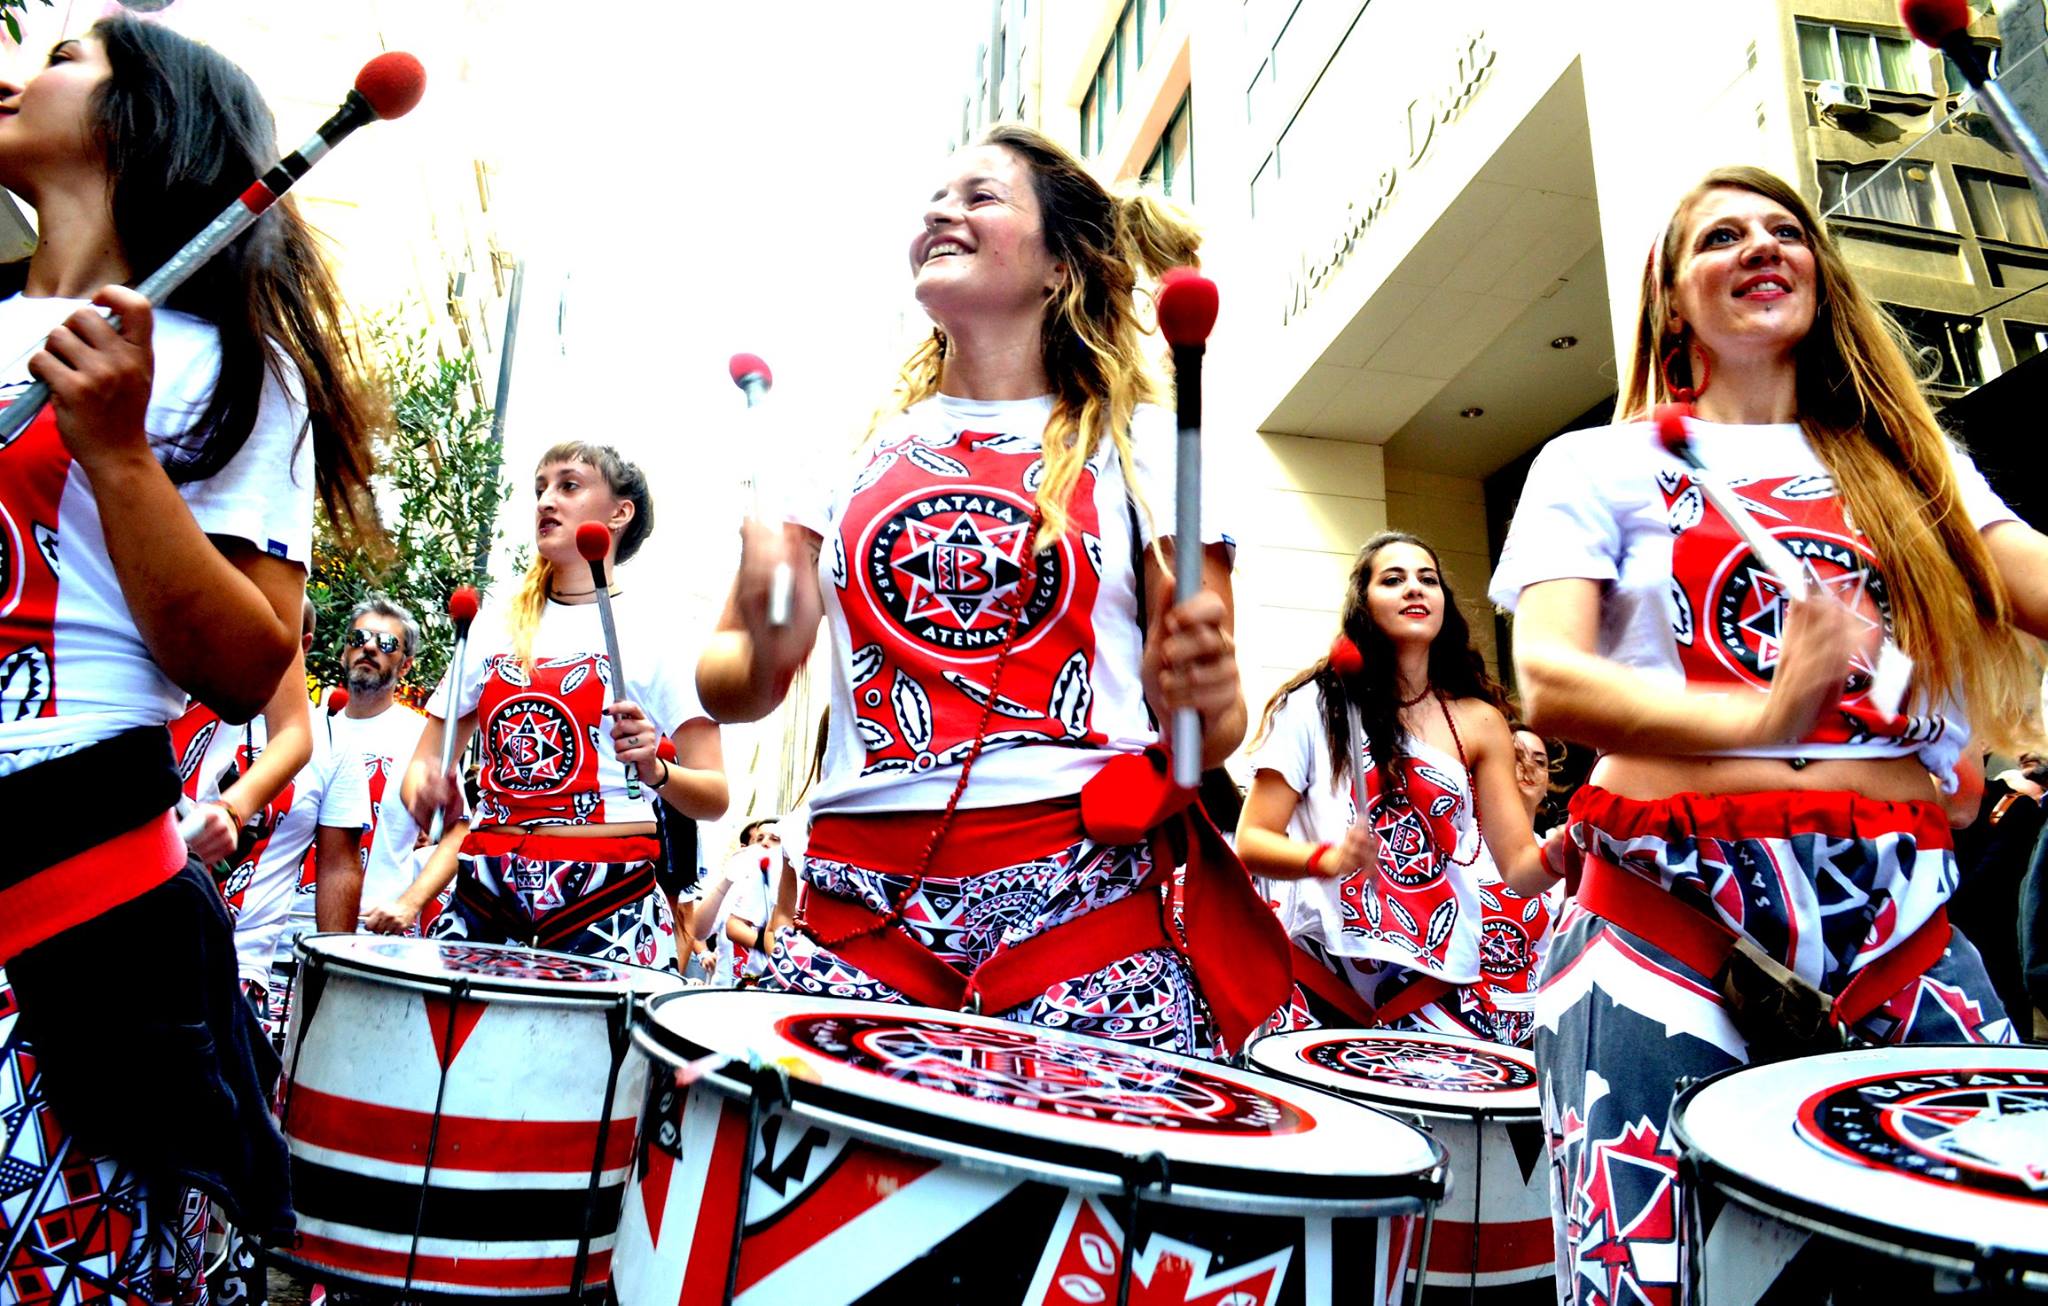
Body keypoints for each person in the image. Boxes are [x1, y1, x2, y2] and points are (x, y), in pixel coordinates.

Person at [1488, 165, 2048, 1305]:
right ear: (1668, 299)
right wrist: (1758, 712)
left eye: (1784, 230)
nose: (1759, 246)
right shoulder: (1595, 465)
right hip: (1660, 942)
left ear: (1818, 277)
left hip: (1900, 943)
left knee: (1989, 1260)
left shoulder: (1908, 469)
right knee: (1641, 1284)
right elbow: (1547, 677)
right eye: (1720, 236)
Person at [696, 123, 1289, 1059]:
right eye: (933, 200)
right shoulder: (841, 452)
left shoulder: (1143, 454)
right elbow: (731, 685)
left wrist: (1205, 700)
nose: (942, 212)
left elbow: (1205, 736)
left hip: (1084, 920)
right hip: (857, 922)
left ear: (1057, 264)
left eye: (979, 197)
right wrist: (770, 632)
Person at [0, 17, 379, 1299]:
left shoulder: (225, 367)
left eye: (59, 60)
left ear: (145, 120)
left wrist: (112, 448)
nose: (11, 72)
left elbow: (243, 664)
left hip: (67, 912)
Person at [404, 442, 728, 972]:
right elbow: (423, 764)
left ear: (619, 514)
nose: (546, 501)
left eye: (568, 485)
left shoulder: (664, 630)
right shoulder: (492, 624)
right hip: (486, 896)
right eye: (540, 489)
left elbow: (714, 796)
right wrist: (424, 788)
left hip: (610, 903)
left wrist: (655, 769)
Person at [1235, 533, 1561, 1043]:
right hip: (1321, 980)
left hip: (1436, 991)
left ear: (1444, 607)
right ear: (1363, 603)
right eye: (1393, 579)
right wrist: (1327, 859)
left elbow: (1520, 868)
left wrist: (1570, 847)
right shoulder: (1313, 706)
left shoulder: (1479, 722)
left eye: (1427, 580)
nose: (1415, 589)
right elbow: (1252, 842)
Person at [173, 599, 368, 1040]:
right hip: (138, 949)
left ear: (302, 644)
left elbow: (338, 865)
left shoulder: (332, 745)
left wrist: (334, 980)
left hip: (240, 973)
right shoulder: (170, 702)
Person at [320, 595, 440, 935]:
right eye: (359, 639)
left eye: (387, 643)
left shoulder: (422, 737)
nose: (370, 648)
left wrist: (410, 904)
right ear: (344, 653)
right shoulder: (310, 730)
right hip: (284, 936)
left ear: (405, 665)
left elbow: (457, 833)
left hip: (372, 939)